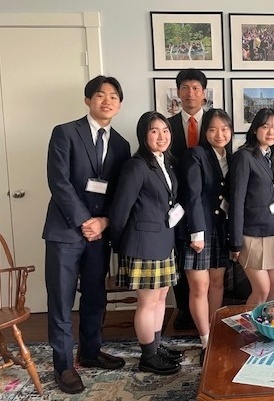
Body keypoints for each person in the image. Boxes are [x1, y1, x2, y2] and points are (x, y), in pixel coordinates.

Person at [43, 75, 130, 394]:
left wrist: (104, 222)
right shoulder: (65, 132)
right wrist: (84, 220)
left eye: (113, 96)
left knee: (95, 295)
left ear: (119, 104)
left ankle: (91, 351)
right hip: (65, 232)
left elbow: (119, 192)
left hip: (98, 235)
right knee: (61, 299)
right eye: (100, 95)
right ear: (88, 100)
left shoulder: (121, 144)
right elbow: (59, 181)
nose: (107, 101)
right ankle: (64, 365)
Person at [110, 111, 181, 376]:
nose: (161, 136)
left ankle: (156, 345)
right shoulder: (136, 166)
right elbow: (120, 210)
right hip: (143, 244)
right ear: (143, 135)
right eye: (154, 131)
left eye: (165, 130)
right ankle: (148, 356)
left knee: (161, 297)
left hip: (163, 240)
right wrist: (119, 244)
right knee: (147, 302)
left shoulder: (165, 162)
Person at [181, 108, 232, 356]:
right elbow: (192, 195)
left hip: (221, 229)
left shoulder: (232, 157)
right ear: (205, 132)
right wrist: (196, 233)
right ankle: (205, 340)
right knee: (200, 287)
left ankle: (215, 330)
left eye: (224, 129)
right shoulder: (196, 154)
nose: (219, 134)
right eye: (213, 129)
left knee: (217, 282)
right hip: (199, 231)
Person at [229, 108, 274, 306]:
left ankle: (268, 325)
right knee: (262, 289)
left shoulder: (271, 158)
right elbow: (236, 200)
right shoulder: (244, 157)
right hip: (250, 235)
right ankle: (248, 325)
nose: (271, 132)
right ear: (255, 129)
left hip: (272, 233)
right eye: (265, 126)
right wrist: (236, 242)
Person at [169, 69, 208, 330]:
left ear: (203, 93)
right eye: (185, 88)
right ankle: (183, 308)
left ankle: (207, 313)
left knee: (204, 263)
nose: (190, 93)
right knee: (179, 255)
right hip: (175, 202)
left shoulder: (216, 123)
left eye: (195, 88)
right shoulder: (167, 125)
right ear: (178, 92)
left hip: (206, 203)